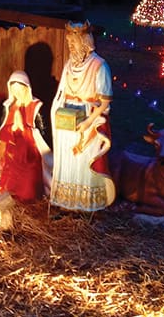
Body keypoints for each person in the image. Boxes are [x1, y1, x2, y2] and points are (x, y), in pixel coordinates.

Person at [49, 21, 116, 212]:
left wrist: (88, 121)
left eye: (74, 42)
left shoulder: (99, 66)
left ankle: (85, 202)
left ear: (85, 41)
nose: (70, 46)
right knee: (68, 160)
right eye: (69, 42)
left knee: (83, 162)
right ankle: (68, 201)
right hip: (67, 118)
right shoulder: (69, 65)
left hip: (89, 119)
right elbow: (62, 93)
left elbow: (104, 102)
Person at [0, 70, 52, 203]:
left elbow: (42, 133)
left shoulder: (36, 106)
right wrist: (13, 128)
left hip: (30, 152)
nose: (17, 93)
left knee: (28, 181)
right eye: (14, 90)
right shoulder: (9, 106)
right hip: (12, 151)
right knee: (9, 172)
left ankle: (27, 196)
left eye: (20, 89)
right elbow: (2, 130)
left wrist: (24, 129)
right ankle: (9, 195)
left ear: (26, 88)